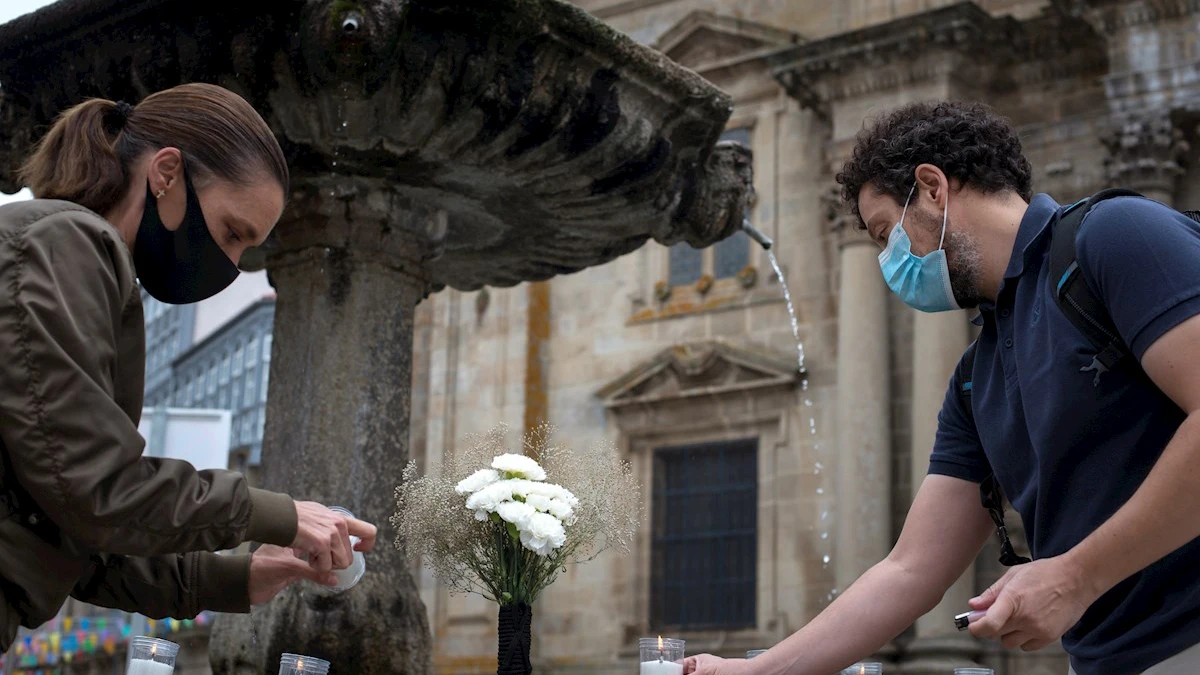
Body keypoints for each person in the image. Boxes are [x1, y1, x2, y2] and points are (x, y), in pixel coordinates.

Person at [683, 101, 1200, 675]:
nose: (889, 262)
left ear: (931, 188)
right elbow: (910, 569)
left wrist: (1075, 575)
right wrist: (755, 672)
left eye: (887, 234)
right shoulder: (976, 378)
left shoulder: (1115, 235)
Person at [0, 83, 377, 652]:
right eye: (231, 233)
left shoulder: (70, 251)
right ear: (166, 172)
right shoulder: (69, 242)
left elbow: (68, 529)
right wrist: (279, 515)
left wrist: (238, 575)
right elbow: (95, 488)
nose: (229, 265)